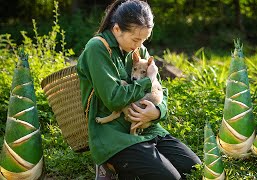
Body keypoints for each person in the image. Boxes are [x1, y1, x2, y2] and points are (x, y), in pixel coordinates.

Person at [77, 0, 201, 179]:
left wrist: (157, 112)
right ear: (117, 29)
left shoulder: (138, 49)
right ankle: (109, 165)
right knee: (171, 178)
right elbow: (114, 98)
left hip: (148, 129)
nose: (140, 45)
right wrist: (148, 81)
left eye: (144, 39)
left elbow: (161, 90)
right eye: (136, 39)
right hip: (114, 136)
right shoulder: (97, 48)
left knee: (195, 169)